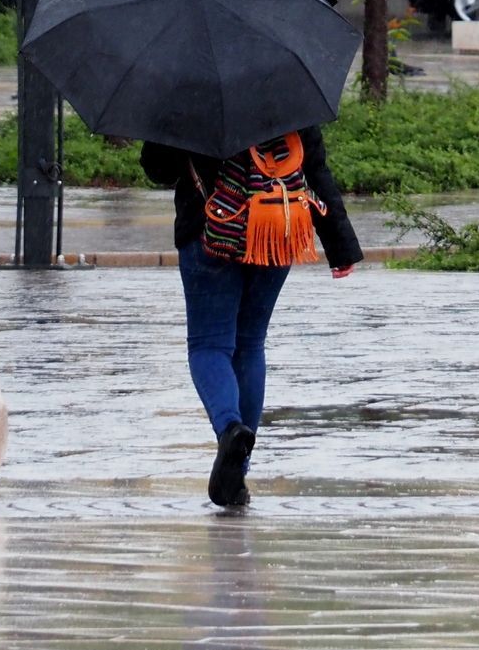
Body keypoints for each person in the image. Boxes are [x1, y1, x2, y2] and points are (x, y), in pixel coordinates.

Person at [143, 128, 361, 508]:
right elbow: (315, 168)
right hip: (276, 228)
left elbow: (158, 167)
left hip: (210, 231)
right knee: (249, 345)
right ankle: (237, 475)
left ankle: (230, 428)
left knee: (209, 345)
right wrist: (340, 246)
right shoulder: (290, 96)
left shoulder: (190, 99)